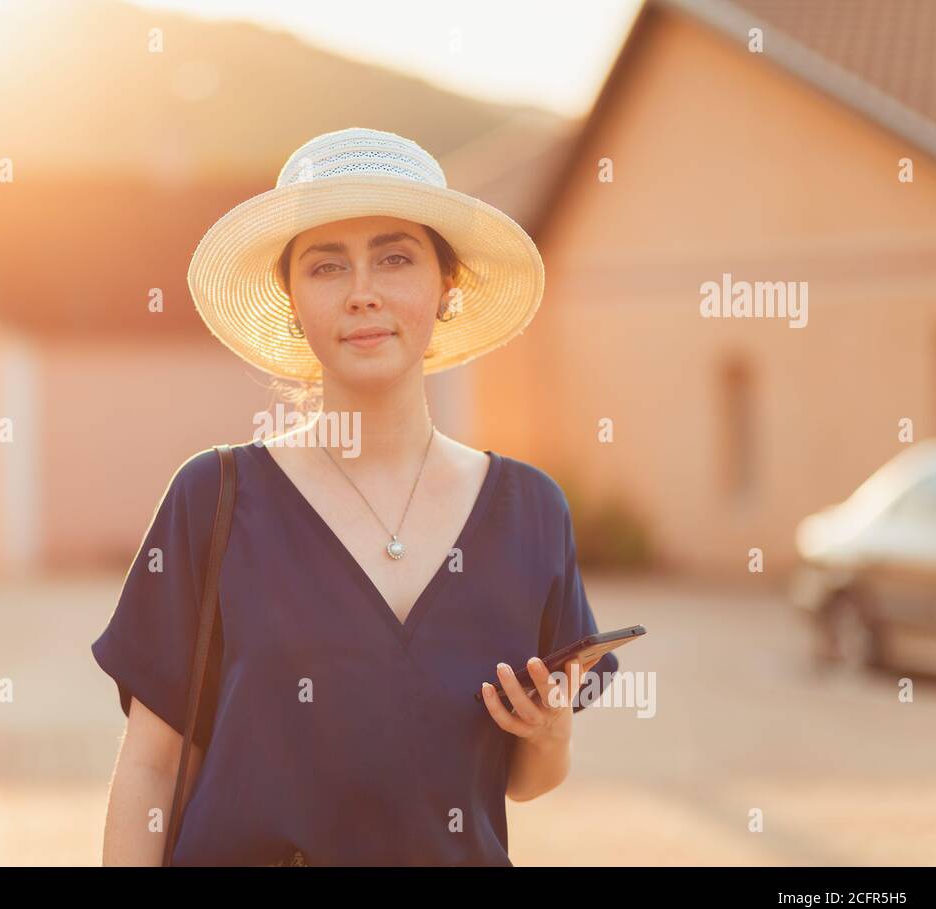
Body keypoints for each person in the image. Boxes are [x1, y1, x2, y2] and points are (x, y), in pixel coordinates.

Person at [92, 127, 620, 866]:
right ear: (291, 300)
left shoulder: (531, 512)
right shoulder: (212, 498)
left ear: (447, 288)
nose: (363, 293)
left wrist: (550, 735)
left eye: (396, 258)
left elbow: (526, 781)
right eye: (327, 266)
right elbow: (149, 767)